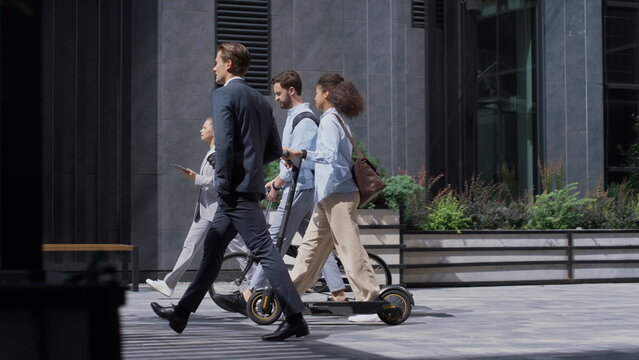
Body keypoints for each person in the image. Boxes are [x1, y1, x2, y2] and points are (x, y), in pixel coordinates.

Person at [151, 42, 308, 341]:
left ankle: (296, 318)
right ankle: (181, 314)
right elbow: (275, 149)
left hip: (233, 191)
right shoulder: (261, 101)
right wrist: (249, 168)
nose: (213, 68)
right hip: (240, 191)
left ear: (229, 65)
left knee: (264, 252)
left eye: (217, 62)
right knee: (212, 249)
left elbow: (223, 144)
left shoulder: (224, 95)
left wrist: (225, 180)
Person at [213, 71, 346, 315]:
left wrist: (278, 184)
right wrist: (277, 180)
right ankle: (338, 294)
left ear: (291, 90)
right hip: (304, 188)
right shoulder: (297, 117)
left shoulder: (304, 120)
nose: (276, 98)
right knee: (314, 243)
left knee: (274, 240)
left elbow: (298, 159)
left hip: (301, 187)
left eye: (278, 93)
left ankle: (250, 294)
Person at [282, 73, 380, 305]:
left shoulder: (329, 120)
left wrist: (300, 153)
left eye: (316, 92)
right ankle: (289, 296)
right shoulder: (335, 119)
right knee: (310, 249)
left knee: (349, 248)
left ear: (326, 93)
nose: (314, 97)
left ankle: (370, 301)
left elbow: (328, 155)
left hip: (339, 195)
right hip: (328, 196)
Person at [146, 118, 246, 297]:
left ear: (215, 132)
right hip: (206, 212)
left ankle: (260, 282)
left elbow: (223, 182)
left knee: (238, 249)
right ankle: (169, 284)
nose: (201, 130)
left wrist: (197, 178)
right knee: (190, 245)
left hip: (219, 212)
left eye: (204, 127)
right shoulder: (212, 153)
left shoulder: (216, 155)